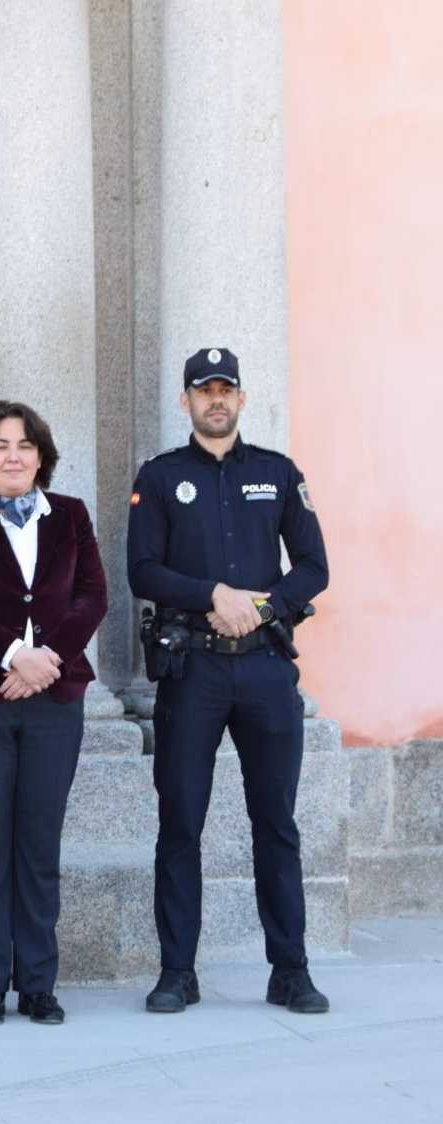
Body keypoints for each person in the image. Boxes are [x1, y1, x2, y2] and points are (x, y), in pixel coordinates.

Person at [129, 347, 331, 1015]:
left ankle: (290, 971)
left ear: (242, 400)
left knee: (275, 822)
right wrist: (214, 591)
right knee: (180, 822)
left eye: (226, 390)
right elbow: (143, 571)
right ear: (185, 402)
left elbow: (312, 566)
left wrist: (264, 606)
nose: (215, 400)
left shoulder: (277, 474)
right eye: (202, 390)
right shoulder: (159, 479)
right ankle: (177, 973)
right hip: (195, 670)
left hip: (267, 671)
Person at [0, 400, 107, 1026]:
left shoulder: (71, 516)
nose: (13, 456)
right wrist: (13, 656)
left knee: (38, 846)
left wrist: (48, 660)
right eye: (1, 445)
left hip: (55, 701)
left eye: (25, 445)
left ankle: (38, 982)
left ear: (42, 456)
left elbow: (93, 596)